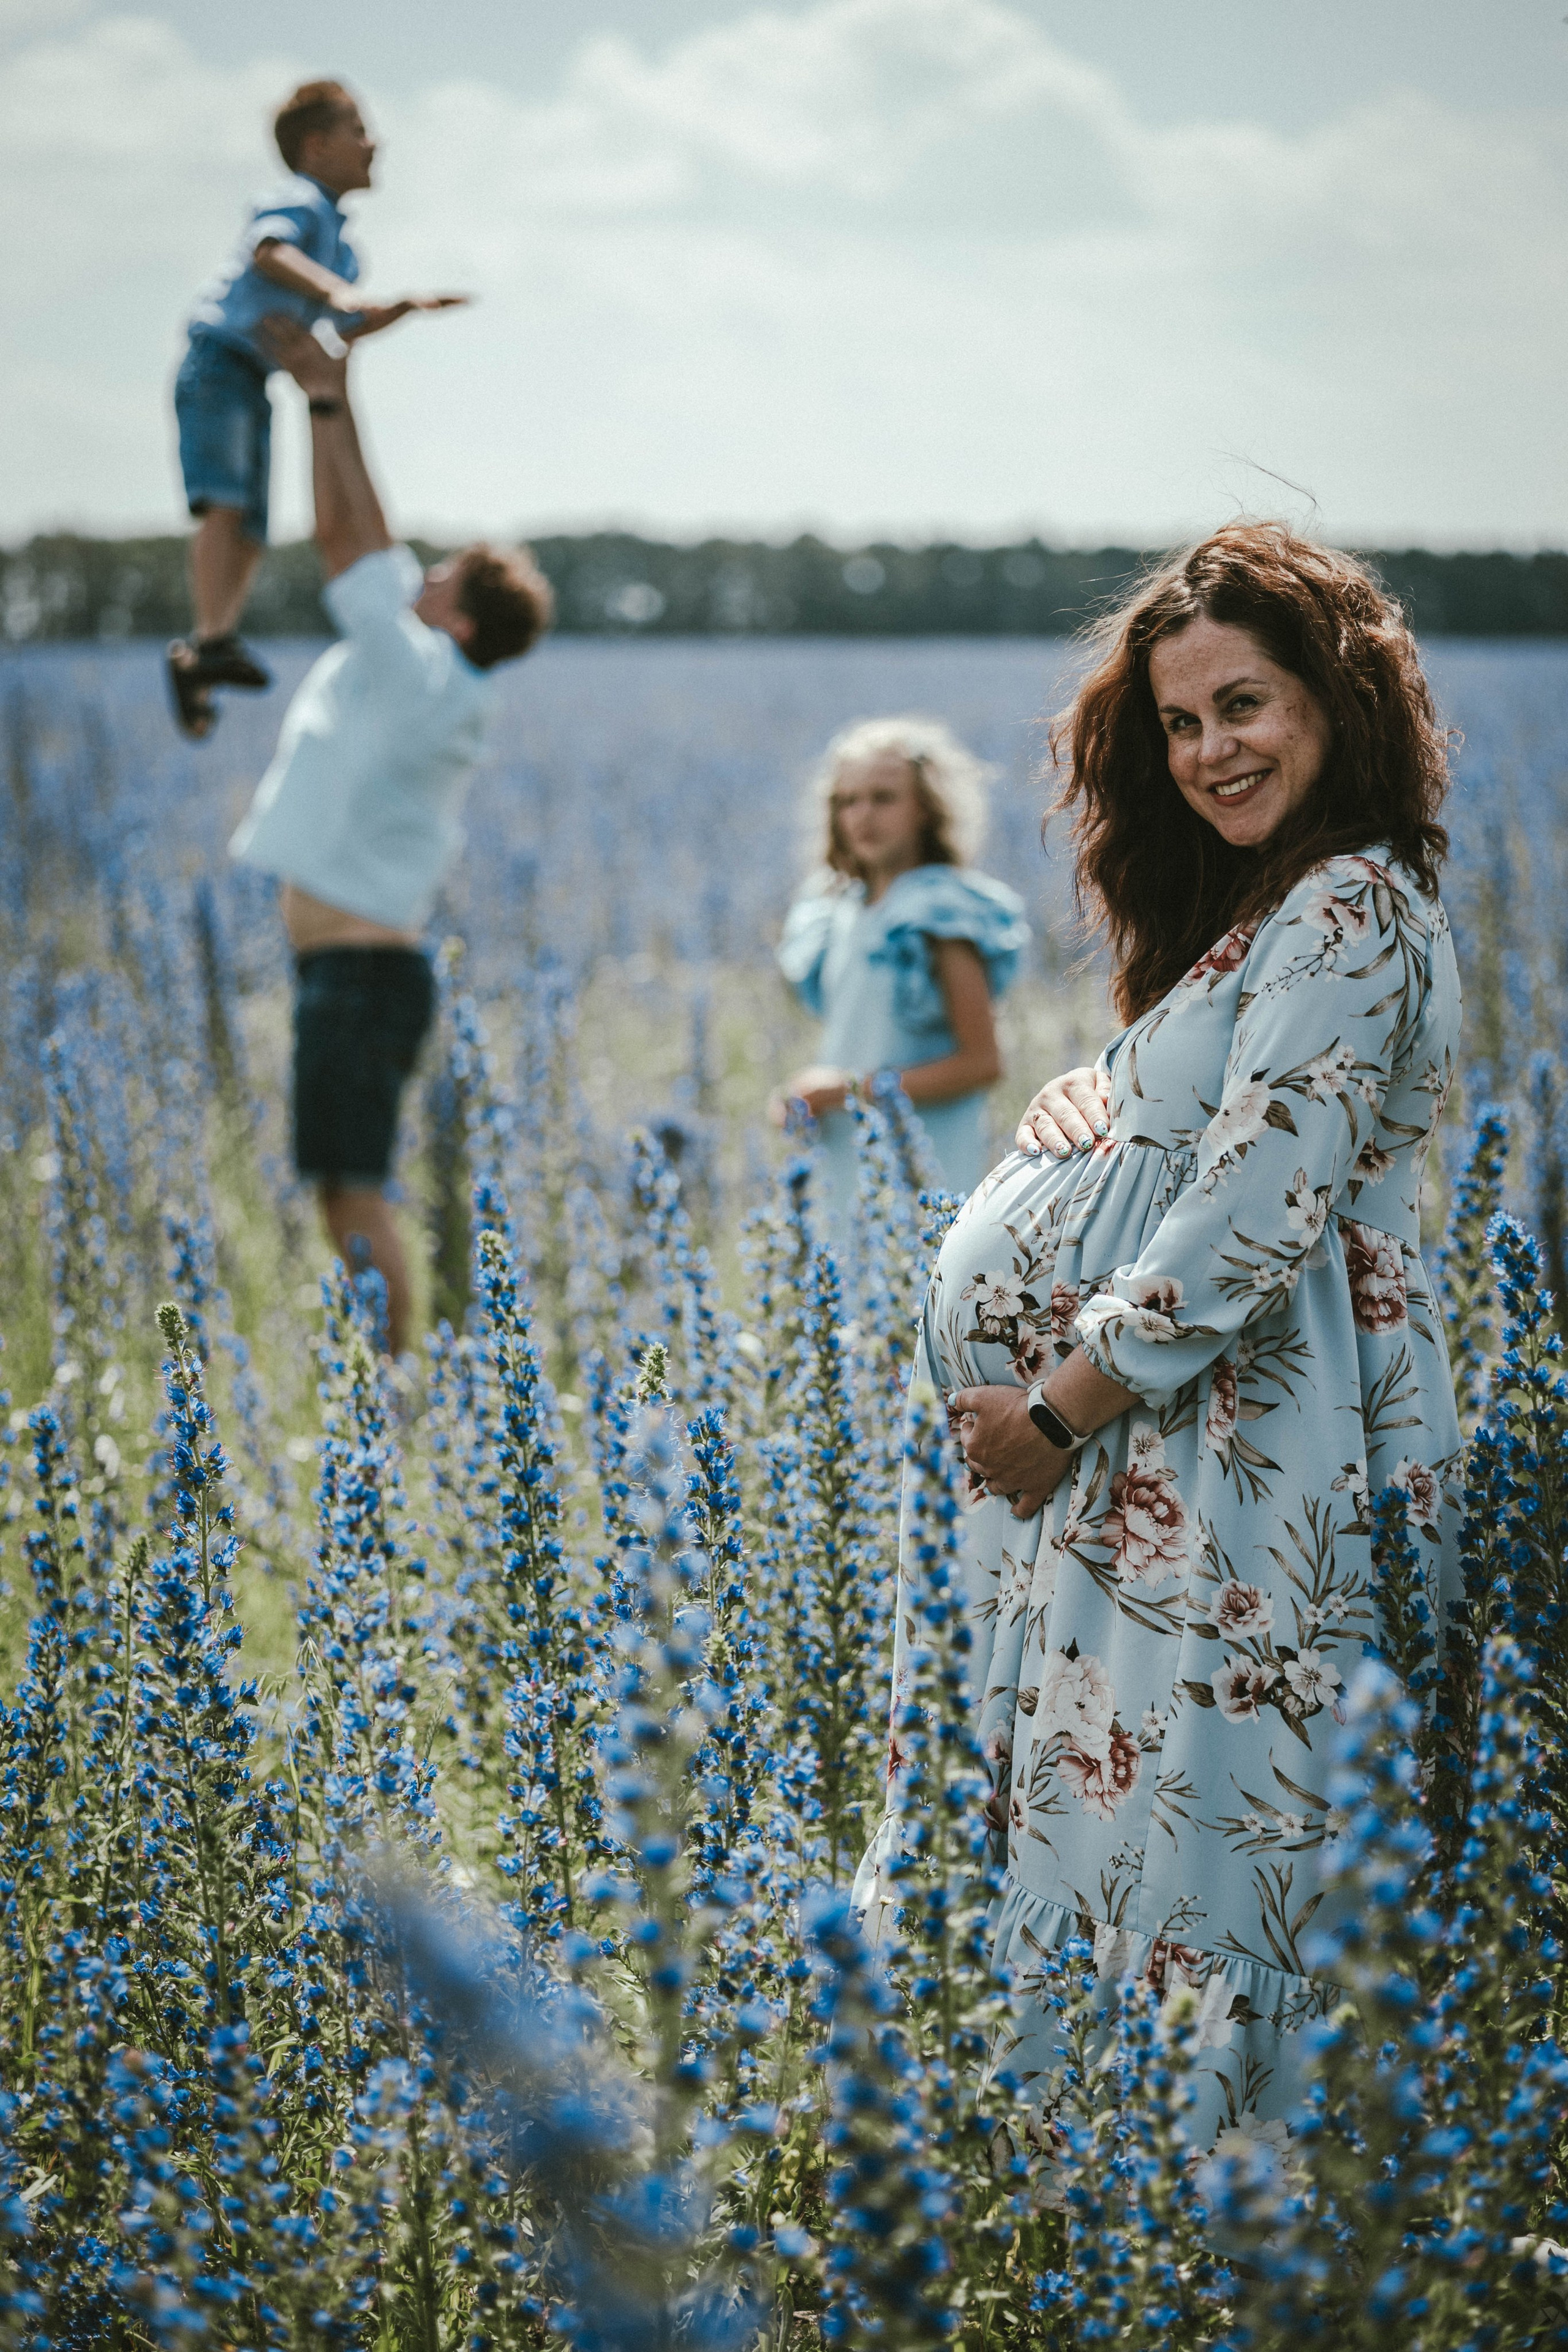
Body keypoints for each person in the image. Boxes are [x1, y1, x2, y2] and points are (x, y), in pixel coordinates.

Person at [861, 524, 1461, 2163]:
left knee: (1213, 1869)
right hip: (1166, 1479)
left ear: (1337, 698)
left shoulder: (1351, 904)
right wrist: (1098, 1097)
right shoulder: (1283, 912)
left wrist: (1052, 1415)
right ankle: (1114, 2214)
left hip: (1251, 1479)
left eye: (1245, 704)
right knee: (1137, 1855)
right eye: (1181, 724)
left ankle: (1214, 2230)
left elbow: (1252, 1214)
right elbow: (1201, 1127)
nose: (1211, 752)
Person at [228, 318, 553, 1358]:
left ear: (458, 619)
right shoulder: (425, 675)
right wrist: (329, 389)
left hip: (362, 978)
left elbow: (348, 541)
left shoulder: (420, 677)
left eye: (444, 573)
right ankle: (392, 1377)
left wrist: (325, 398)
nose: (419, 573)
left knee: (350, 1193)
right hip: (355, 973)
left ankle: (397, 1392)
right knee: (340, 1189)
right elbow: (367, 537)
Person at [168, 78, 468, 739]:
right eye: (359, 130)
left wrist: (396, 311)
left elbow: (332, 334)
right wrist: (337, 293)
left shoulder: (341, 243)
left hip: (255, 377)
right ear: (316, 147)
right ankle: (212, 638)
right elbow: (268, 253)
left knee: (251, 526)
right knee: (222, 502)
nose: (374, 143)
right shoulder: (297, 205)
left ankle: (207, 649)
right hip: (218, 364)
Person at [773, 717, 1030, 1218]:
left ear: (927, 810)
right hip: (847, 1159)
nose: (863, 816)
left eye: (884, 798)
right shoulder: (838, 910)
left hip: (926, 1170)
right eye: (848, 801)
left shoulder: (942, 912)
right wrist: (802, 1098)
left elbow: (983, 1063)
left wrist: (843, 1089)